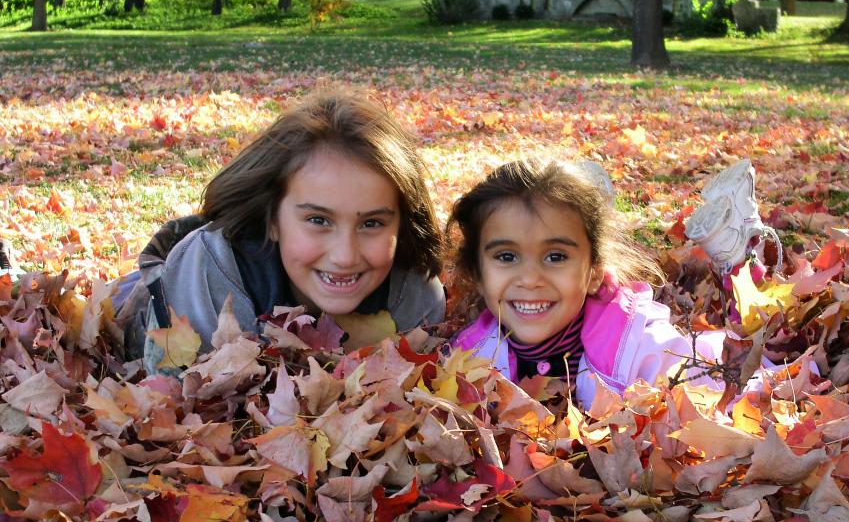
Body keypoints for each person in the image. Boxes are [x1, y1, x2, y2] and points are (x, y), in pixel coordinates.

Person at [117, 88, 445, 371]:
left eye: (371, 223)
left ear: (401, 224)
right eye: (318, 220)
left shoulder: (414, 300)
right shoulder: (206, 284)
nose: (345, 256)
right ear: (271, 220)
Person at [448, 158, 714, 407]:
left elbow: (712, 409)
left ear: (594, 273)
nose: (529, 279)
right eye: (506, 256)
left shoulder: (644, 352)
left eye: (555, 257)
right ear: (478, 275)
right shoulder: (467, 363)